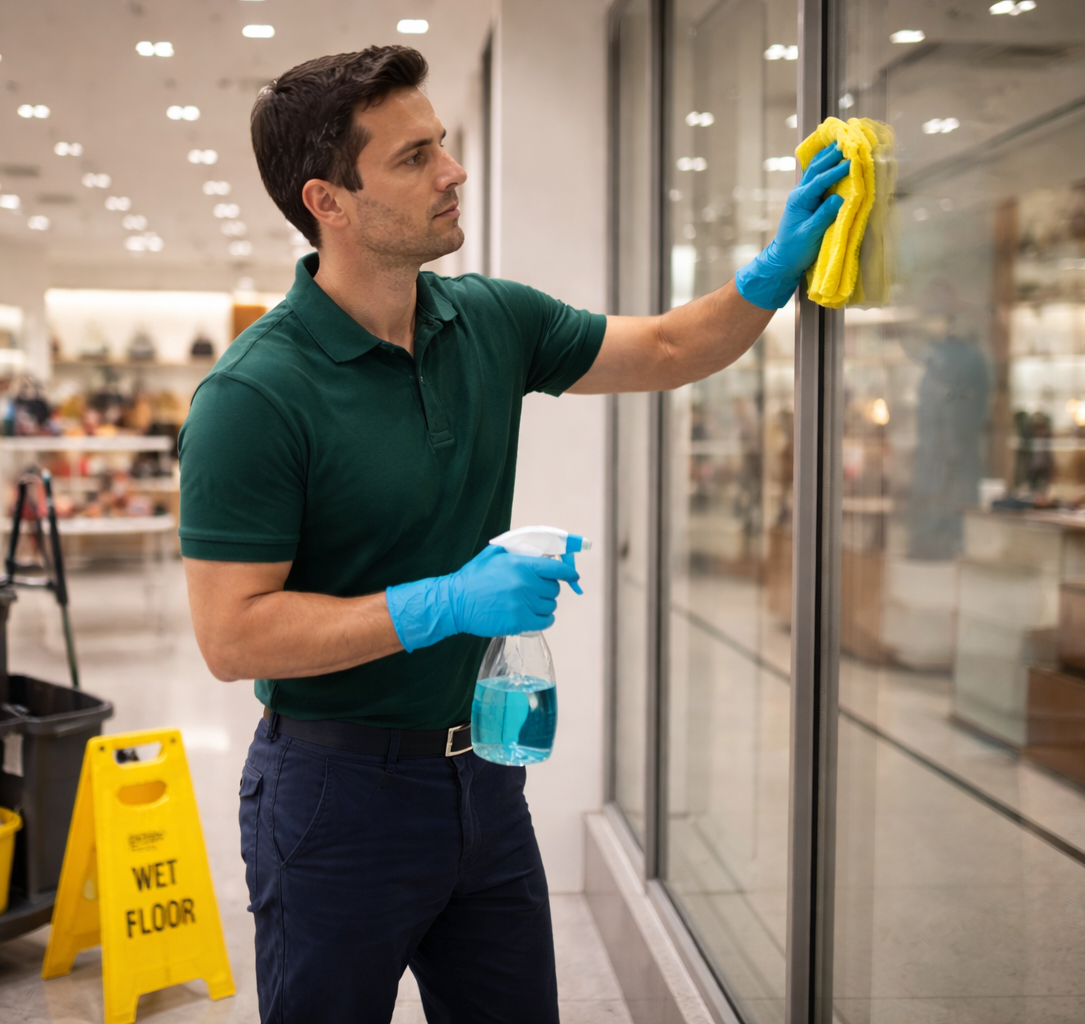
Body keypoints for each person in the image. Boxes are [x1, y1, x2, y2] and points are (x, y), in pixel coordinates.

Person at [178, 45, 846, 1024]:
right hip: (335, 795)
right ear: (329, 201)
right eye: (414, 158)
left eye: (441, 144)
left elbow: (663, 348)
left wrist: (771, 273)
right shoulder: (254, 395)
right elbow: (233, 636)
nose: (451, 171)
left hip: (482, 783)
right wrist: (442, 602)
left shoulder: (488, 320)